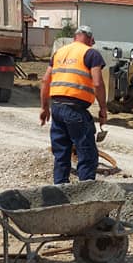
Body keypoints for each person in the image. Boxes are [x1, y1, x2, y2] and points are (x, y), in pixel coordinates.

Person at [39, 25, 108, 184]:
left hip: (56, 108)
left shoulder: (58, 53)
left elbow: (45, 80)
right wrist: (103, 108)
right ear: (90, 39)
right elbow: (97, 83)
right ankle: (85, 193)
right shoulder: (91, 53)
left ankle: (60, 192)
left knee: (61, 153)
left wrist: (44, 107)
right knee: (87, 154)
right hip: (75, 110)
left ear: (74, 37)